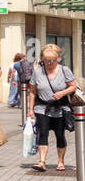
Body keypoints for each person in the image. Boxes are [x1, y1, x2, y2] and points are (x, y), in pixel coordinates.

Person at [30, 44, 78, 172]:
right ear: (42, 59)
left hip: (61, 108)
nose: (49, 63)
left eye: (52, 60)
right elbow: (32, 91)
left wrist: (62, 93)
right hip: (42, 107)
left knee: (60, 135)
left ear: (58, 59)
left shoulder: (64, 70)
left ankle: (61, 161)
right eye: (46, 60)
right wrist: (30, 109)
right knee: (43, 133)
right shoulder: (38, 72)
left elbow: (73, 86)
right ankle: (42, 162)